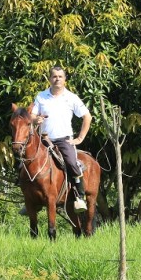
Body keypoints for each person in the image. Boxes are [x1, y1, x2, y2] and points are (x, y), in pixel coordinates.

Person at [30, 65, 92, 212]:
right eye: (54, 76)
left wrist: (80, 138)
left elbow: (87, 117)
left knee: (72, 163)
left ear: (64, 79)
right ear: (49, 79)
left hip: (64, 140)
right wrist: (35, 119)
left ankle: (79, 197)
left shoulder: (71, 97)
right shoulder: (41, 96)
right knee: (26, 161)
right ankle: (28, 198)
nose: (57, 79)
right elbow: (31, 115)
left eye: (60, 76)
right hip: (43, 140)